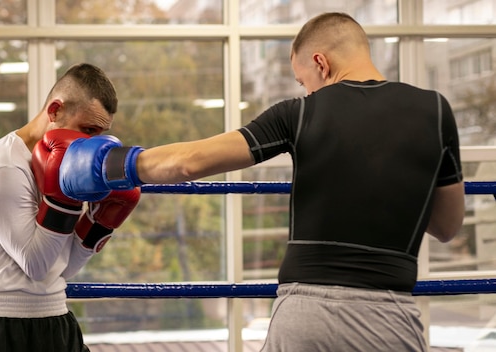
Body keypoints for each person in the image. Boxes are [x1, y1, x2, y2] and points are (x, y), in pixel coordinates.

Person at [56, 12, 465, 352]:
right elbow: (447, 226)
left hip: (308, 317)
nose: (306, 90)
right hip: (391, 319)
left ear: (321, 63)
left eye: (304, 80)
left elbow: (188, 163)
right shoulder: (435, 110)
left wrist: (106, 163)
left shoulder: (302, 113)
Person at [0, 63, 141, 352]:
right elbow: (36, 264)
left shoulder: (65, 169)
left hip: (54, 316)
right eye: (87, 130)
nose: (91, 145)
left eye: (99, 135)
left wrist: (99, 222)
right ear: (54, 111)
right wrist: (64, 203)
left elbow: (62, 269)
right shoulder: (4, 168)